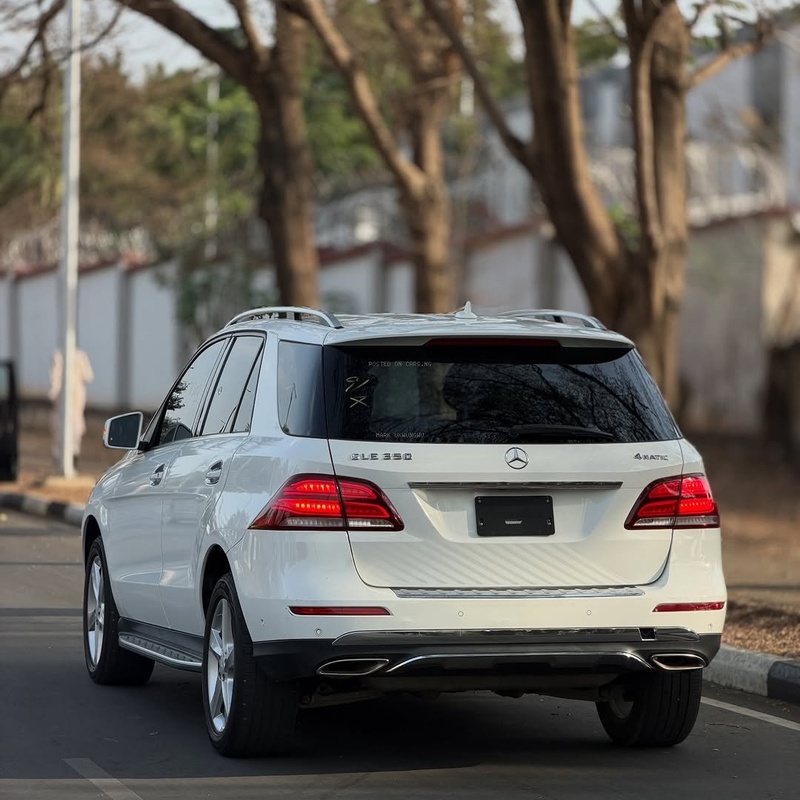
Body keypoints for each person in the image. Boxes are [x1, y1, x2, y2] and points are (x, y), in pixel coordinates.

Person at [49, 347, 94, 470]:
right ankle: (70, 456)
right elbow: (88, 376)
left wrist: (53, 395)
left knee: (64, 425)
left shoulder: (59, 356)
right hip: (72, 396)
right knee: (70, 425)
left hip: (68, 397)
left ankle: (68, 458)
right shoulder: (77, 356)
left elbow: (55, 379)